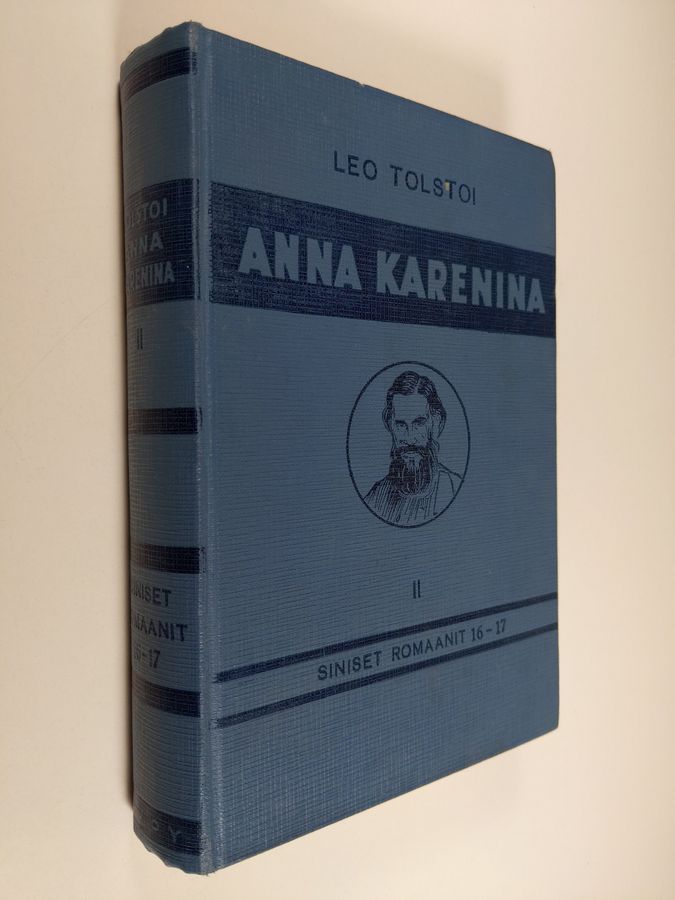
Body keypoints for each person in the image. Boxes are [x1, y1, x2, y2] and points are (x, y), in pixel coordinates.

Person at [364, 370, 462, 526]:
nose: (410, 438)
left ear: (435, 423)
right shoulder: (376, 497)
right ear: (390, 425)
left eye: (419, 423)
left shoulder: (453, 488)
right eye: (401, 425)